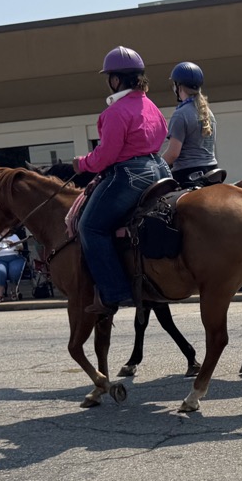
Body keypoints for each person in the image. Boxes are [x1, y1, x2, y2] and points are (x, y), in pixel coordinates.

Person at [71, 47, 169, 316]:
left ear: (115, 80)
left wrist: (82, 164)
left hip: (130, 175)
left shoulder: (115, 112)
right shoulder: (151, 107)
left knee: (89, 227)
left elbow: (106, 156)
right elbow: (161, 138)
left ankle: (114, 293)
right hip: (160, 170)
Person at [158, 61, 224, 189]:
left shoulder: (180, 114)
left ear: (179, 87)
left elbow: (173, 154)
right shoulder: (208, 113)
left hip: (187, 175)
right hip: (212, 172)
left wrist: (156, 167)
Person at [0, 231, 27, 301]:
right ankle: (0, 295)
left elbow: (21, 247)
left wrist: (13, 244)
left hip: (14, 257)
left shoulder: (14, 236)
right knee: (0, 271)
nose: (5, 231)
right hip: (0, 259)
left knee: (14, 270)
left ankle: (14, 292)